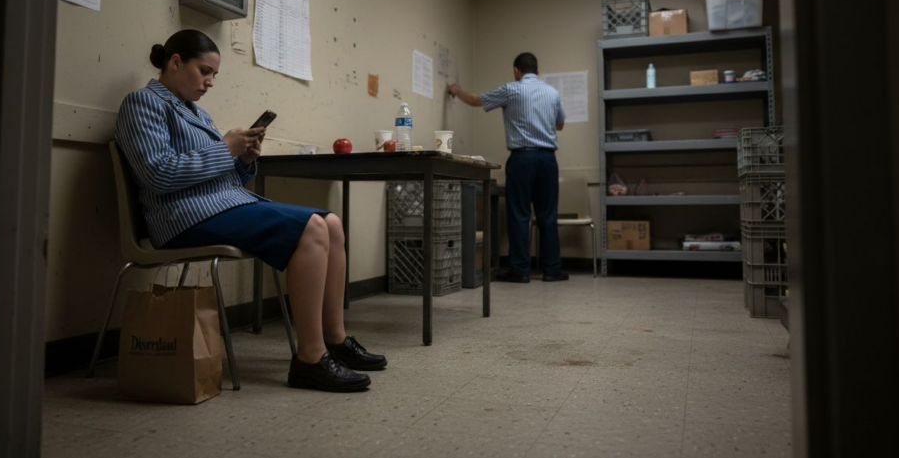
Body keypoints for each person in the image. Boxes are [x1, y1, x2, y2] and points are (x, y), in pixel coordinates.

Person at [115, 29, 386, 392]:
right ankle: (310, 358)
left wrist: (242, 161)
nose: (210, 82)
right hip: (182, 217)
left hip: (218, 206)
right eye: (204, 71)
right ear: (175, 62)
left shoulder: (197, 113)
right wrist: (225, 148)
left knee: (331, 223)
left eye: (214, 75)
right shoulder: (142, 103)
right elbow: (158, 174)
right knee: (313, 229)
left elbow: (223, 179)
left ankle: (335, 340)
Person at [447, 52, 569, 283]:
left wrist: (456, 91)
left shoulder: (512, 90)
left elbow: (475, 100)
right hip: (547, 159)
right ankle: (552, 270)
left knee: (520, 215)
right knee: (548, 216)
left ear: (516, 71)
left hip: (522, 158)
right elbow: (560, 124)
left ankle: (520, 271)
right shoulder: (553, 93)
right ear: (538, 71)